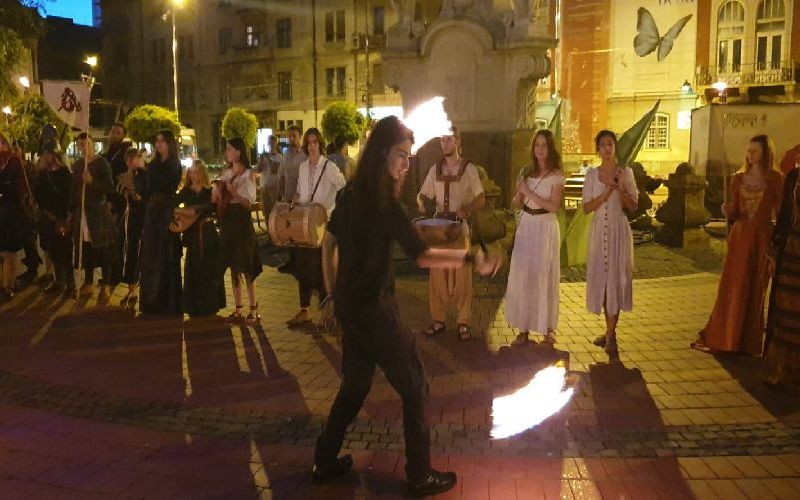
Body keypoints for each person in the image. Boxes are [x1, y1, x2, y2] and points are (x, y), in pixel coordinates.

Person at [312, 115, 502, 497]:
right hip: (375, 312)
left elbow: (328, 245)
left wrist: (332, 295)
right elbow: (424, 256)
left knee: (356, 383)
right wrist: (471, 259)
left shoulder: (350, 194)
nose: (406, 164)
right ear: (383, 153)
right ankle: (419, 474)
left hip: (350, 308)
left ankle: (324, 460)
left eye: (409, 157)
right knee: (415, 386)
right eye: (402, 155)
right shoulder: (388, 206)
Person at [692, 135, 784, 354]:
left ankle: (748, 343)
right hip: (740, 237)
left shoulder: (775, 179)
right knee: (734, 286)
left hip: (762, 238)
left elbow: (781, 212)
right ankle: (727, 339)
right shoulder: (738, 179)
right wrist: (727, 210)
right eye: (748, 150)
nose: (750, 154)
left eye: (755, 150)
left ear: (766, 153)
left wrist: (777, 244)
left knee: (756, 288)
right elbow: (735, 212)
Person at [416, 126, 485, 340]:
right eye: (442, 140)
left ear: (457, 141)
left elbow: (481, 198)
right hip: (439, 229)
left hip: (459, 228)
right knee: (437, 276)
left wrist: (467, 209)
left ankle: (463, 322)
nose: (444, 143)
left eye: (448, 139)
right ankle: (438, 320)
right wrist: (420, 202)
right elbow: (423, 194)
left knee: (462, 276)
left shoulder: (469, 169)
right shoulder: (434, 169)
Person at [506, 129, 565, 346]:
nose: (540, 149)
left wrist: (529, 192)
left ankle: (548, 329)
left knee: (544, 276)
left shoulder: (556, 175)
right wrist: (519, 192)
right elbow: (516, 203)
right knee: (524, 276)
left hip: (545, 226)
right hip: (527, 226)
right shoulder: (527, 172)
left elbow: (554, 206)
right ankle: (523, 329)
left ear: (550, 148)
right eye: (537, 145)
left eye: (544, 145)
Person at [581, 130, 638, 353]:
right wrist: (605, 193)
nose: (606, 148)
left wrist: (619, 187)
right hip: (599, 233)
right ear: (598, 149)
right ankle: (608, 331)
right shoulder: (591, 175)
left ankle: (612, 335)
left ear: (615, 148)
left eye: (610, 144)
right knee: (604, 282)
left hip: (617, 232)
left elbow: (632, 206)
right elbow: (586, 208)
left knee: (616, 280)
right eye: (603, 145)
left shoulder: (625, 173)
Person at [286, 128, 346, 328]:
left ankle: (326, 312)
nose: (312, 146)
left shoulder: (329, 167)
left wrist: (332, 212)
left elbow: (343, 187)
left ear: (320, 144)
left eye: (315, 142)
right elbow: (300, 191)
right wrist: (293, 203)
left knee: (321, 268)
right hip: (304, 224)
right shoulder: (303, 167)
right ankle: (304, 310)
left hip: (322, 223)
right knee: (302, 267)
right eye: (309, 143)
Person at [213, 137, 262, 324]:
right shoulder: (226, 173)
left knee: (247, 265)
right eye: (227, 149)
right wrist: (218, 193)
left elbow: (250, 202)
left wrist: (235, 193)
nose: (227, 152)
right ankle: (238, 308)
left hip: (241, 220)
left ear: (239, 152)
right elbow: (216, 199)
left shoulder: (249, 174)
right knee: (233, 265)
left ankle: (253, 308)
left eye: (230, 149)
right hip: (228, 220)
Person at [134, 130, 182, 315]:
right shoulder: (154, 163)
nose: (159, 144)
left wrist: (146, 169)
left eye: (162, 141)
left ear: (169, 143)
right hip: (152, 212)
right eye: (157, 141)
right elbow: (146, 187)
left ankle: (167, 302)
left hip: (165, 212)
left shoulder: (174, 164)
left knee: (165, 253)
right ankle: (151, 302)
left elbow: (166, 184)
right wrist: (138, 172)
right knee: (150, 253)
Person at [764, 164, 800, 390]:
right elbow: (785, 215)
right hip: (792, 252)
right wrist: (775, 252)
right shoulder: (794, 177)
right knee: (787, 311)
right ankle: (784, 371)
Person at [71, 133, 118, 302]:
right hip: (82, 212)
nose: (84, 147)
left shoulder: (101, 163)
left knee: (103, 250)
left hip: (97, 213)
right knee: (86, 249)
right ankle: (89, 282)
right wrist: (71, 211)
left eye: (87, 143)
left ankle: (105, 285)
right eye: (81, 144)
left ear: (92, 144)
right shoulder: (77, 165)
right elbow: (74, 190)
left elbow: (109, 187)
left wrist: (91, 181)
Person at [177, 159, 225, 317]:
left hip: (208, 232)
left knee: (209, 267)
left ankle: (210, 305)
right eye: (192, 172)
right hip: (193, 233)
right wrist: (181, 213)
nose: (194, 175)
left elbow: (214, 209)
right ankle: (195, 305)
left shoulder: (209, 190)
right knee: (194, 267)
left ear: (202, 172)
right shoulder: (186, 191)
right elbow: (174, 204)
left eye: (197, 171)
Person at [34, 143, 75, 296]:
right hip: (46, 217)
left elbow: (69, 196)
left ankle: (70, 285)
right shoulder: (42, 174)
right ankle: (59, 282)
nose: (45, 157)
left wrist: (66, 215)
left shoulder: (65, 174)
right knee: (51, 250)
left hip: (61, 218)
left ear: (55, 155)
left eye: (48, 153)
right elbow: (37, 193)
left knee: (64, 252)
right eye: (44, 154)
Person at [0, 132, 29, 300]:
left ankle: (8, 285)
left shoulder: (14, 161)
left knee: (8, 251)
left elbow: (21, 186)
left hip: (11, 211)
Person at [103, 122, 132, 285]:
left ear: (123, 135)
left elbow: (123, 179)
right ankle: (108, 273)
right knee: (107, 239)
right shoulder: (108, 152)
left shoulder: (124, 153)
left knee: (117, 239)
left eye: (118, 132)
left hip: (118, 202)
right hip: (106, 201)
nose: (114, 134)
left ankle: (115, 274)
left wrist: (114, 201)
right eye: (112, 131)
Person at [276, 126, 307, 274]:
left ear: (300, 137)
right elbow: (282, 175)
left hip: (301, 199)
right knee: (289, 230)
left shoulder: (305, 155)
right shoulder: (286, 154)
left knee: (299, 231)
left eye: (294, 135)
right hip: (288, 198)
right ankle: (291, 261)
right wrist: (279, 194)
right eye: (289, 136)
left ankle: (300, 262)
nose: (291, 138)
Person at [119, 147, 145, 306]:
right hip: (132, 217)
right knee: (132, 249)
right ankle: (132, 287)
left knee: (144, 250)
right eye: (128, 160)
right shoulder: (125, 177)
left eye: (132, 159)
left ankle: (143, 285)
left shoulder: (145, 175)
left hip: (146, 217)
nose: (130, 163)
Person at [257, 136, 282, 223]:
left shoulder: (279, 157)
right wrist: (261, 160)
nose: (271, 144)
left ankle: (274, 228)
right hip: (264, 186)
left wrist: (267, 158)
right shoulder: (263, 156)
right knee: (266, 211)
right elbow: (258, 170)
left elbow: (274, 170)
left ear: (276, 143)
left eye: (273, 142)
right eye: (270, 142)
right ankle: (268, 229)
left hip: (274, 186)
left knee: (274, 210)